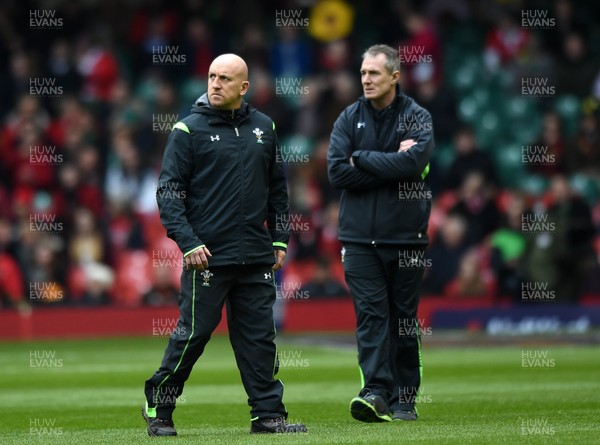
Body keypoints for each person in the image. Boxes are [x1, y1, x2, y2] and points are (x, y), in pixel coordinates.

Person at [141, 54, 307, 436]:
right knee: (193, 335)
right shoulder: (187, 129)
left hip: (256, 254)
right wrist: (188, 243)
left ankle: (268, 416)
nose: (215, 84)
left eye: (225, 79)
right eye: (212, 76)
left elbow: (278, 191)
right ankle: (158, 407)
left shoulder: (265, 127)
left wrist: (280, 239)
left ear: (243, 88)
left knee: (259, 339)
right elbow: (168, 194)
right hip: (207, 257)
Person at [328, 44, 434, 422]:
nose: (366, 80)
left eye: (374, 73)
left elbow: (414, 163)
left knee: (403, 319)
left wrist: (364, 157)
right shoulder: (348, 118)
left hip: (406, 238)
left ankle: (406, 398)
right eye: (362, 73)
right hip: (358, 240)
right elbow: (337, 172)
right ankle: (376, 393)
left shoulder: (418, 117)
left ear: (394, 75)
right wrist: (391, 162)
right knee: (372, 317)